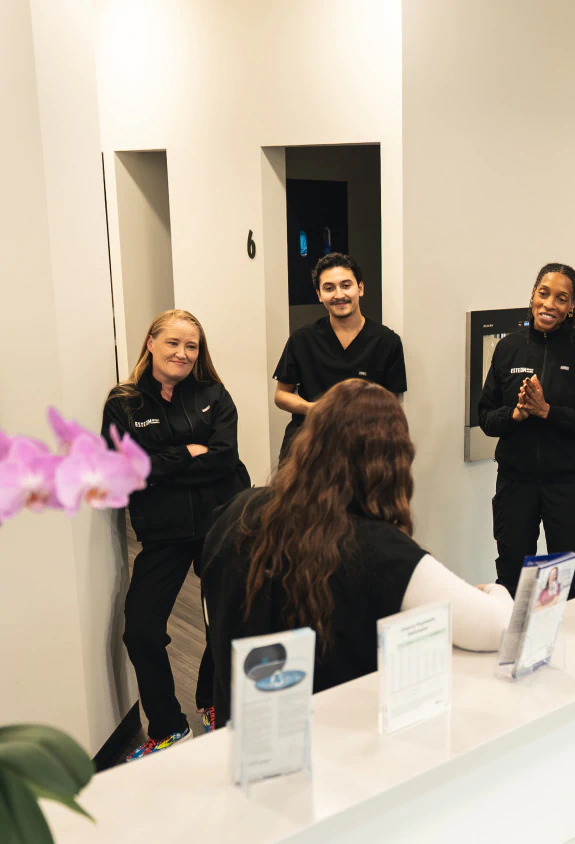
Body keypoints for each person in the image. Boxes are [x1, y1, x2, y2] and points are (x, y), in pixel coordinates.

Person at [201, 379, 513, 723]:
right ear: (392, 460)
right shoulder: (379, 549)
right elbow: (499, 625)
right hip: (337, 747)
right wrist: (491, 590)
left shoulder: (236, 513)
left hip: (239, 737)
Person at [102, 309, 250, 760]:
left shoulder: (213, 394)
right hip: (162, 535)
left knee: (228, 616)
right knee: (142, 631)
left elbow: (225, 459)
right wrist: (189, 453)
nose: (183, 353)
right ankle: (168, 727)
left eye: (192, 346)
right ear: (151, 343)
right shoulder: (124, 403)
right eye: (173, 343)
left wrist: (162, 463)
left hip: (219, 525)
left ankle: (212, 700)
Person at [478, 262, 575, 599]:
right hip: (514, 484)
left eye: (562, 298)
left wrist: (548, 412)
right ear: (533, 295)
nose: (550, 304)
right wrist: (517, 414)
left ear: (572, 306)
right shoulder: (509, 347)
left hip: (567, 486)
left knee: (570, 578)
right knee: (511, 576)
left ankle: (572, 651)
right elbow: (486, 417)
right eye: (544, 293)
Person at [273, 252, 406, 461]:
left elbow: (393, 404)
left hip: (364, 448)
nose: (339, 294)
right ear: (319, 294)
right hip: (309, 446)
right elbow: (281, 395)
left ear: (360, 288)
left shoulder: (387, 342)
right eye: (329, 288)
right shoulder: (303, 339)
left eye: (346, 285)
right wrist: (314, 409)